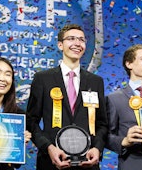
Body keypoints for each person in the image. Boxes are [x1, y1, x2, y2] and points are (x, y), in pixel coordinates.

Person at [26, 24, 108, 170]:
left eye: (81, 40)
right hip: (52, 162)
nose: (77, 43)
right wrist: (48, 147)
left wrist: (97, 149)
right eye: (71, 39)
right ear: (60, 45)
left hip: (87, 163)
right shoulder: (43, 79)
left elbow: (102, 123)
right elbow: (31, 121)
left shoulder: (96, 82)